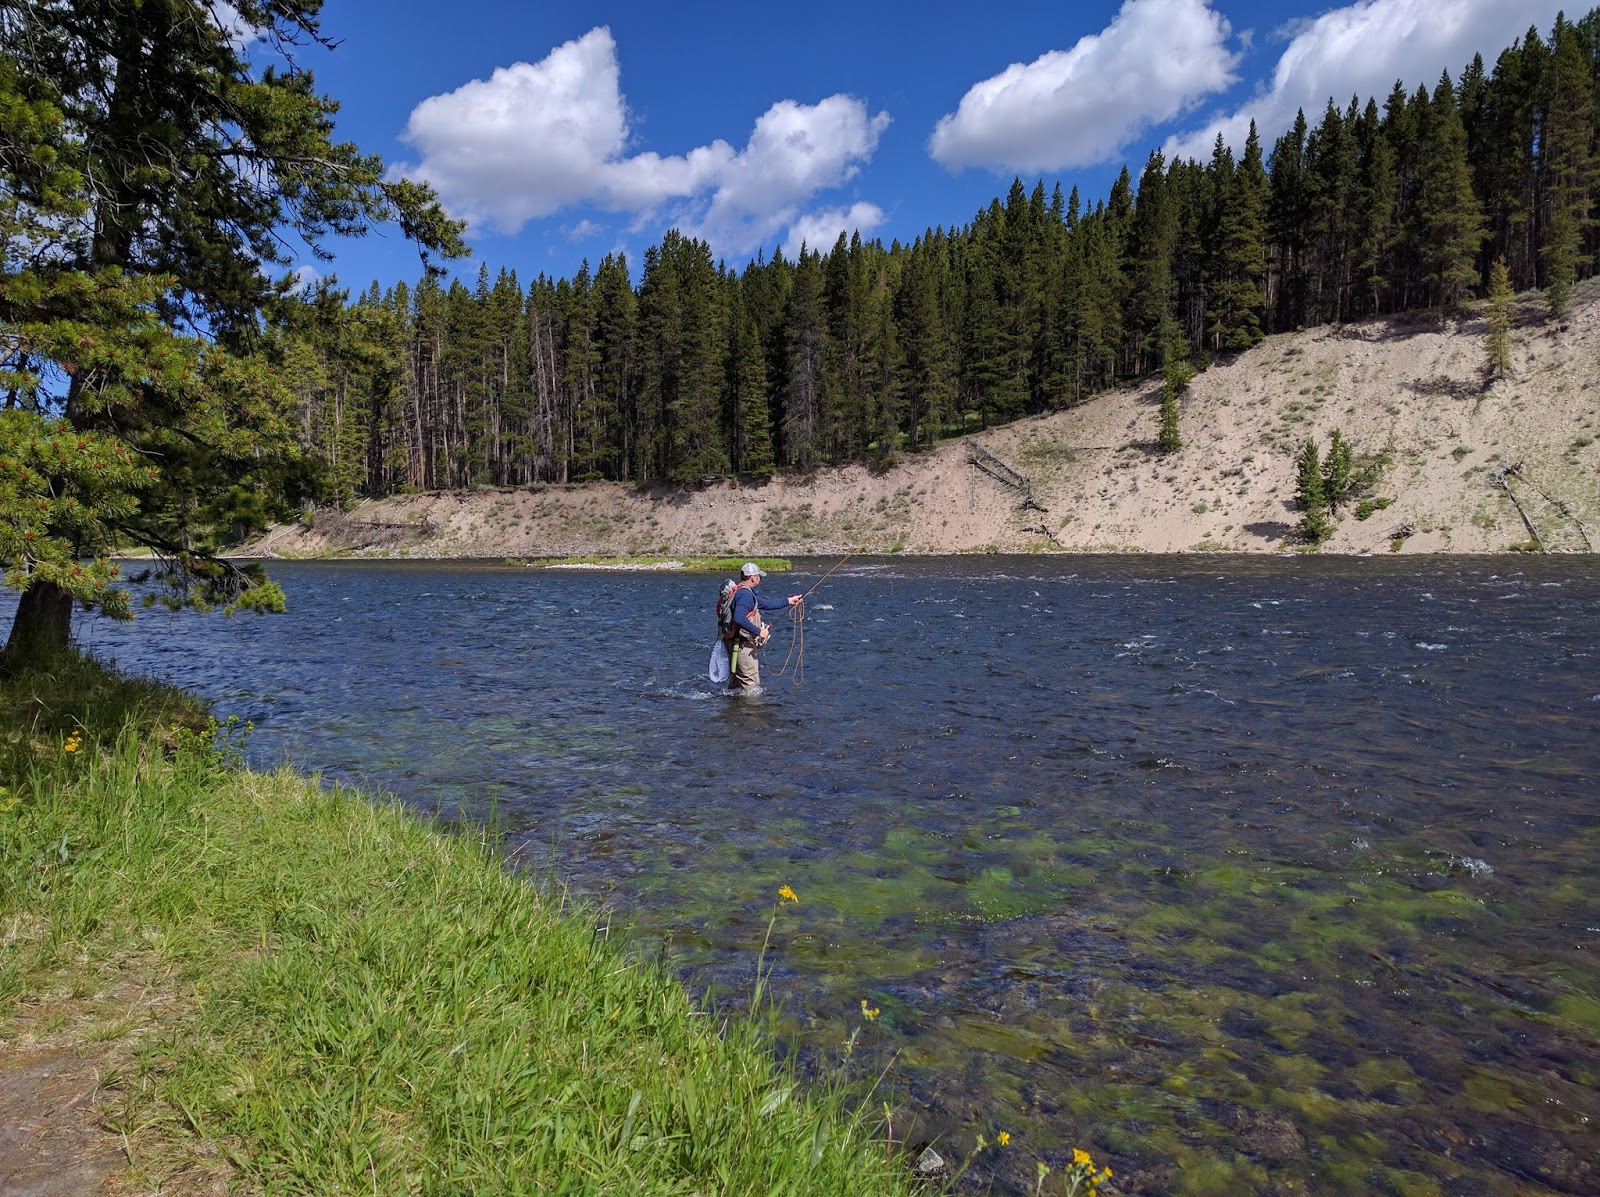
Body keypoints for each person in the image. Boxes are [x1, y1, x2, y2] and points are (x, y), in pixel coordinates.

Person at [726, 562, 802, 691]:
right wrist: (759, 631)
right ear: (753, 578)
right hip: (742, 646)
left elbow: (765, 604)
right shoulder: (745, 595)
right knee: (751, 685)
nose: (760, 579)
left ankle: (733, 708)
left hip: (735, 643)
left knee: (737, 684)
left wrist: (789, 601)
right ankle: (753, 710)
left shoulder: (742, 591)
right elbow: (739, 617)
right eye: (759, 576)